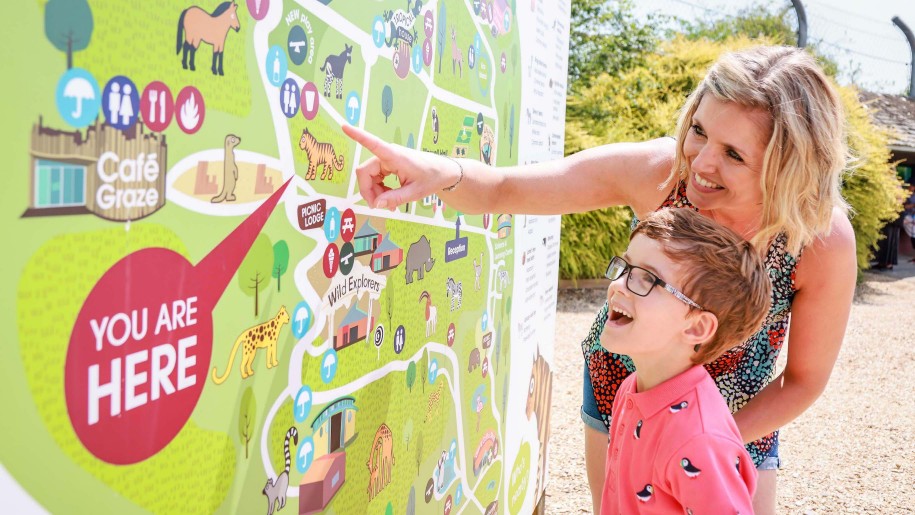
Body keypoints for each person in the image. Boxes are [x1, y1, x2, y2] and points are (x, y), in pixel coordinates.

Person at [342, 45, 858, 515]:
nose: (699, 163)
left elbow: (803, 380)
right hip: (626, 391)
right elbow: (505, 189)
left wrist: (706, 440)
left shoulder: (819, 239)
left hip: (734, 418)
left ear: (787, 167)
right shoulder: (659, 171)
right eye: (699, 130)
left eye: (734, 154)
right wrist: (438, 173)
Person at [599, 208, 770, 514]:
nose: (619, 285)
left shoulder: (699, 440)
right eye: (625, 267)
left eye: (647, 279)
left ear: (696, 327)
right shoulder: (632, 388)